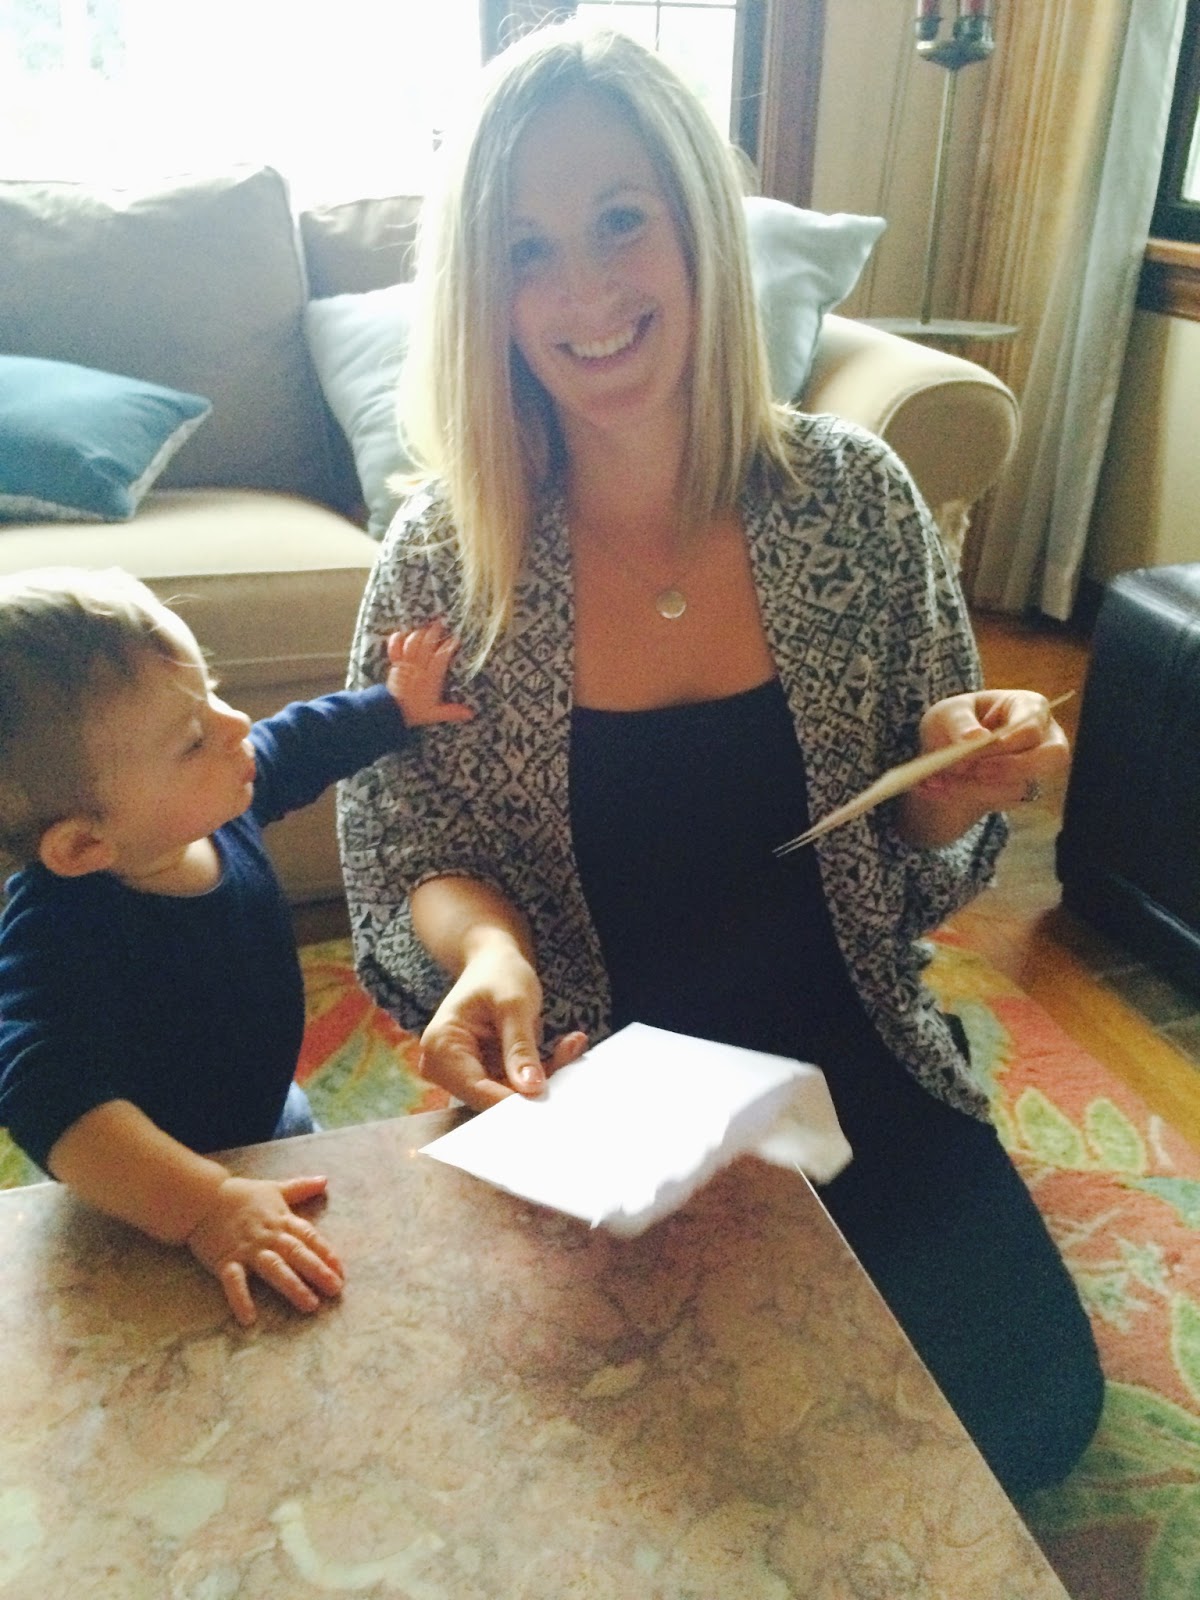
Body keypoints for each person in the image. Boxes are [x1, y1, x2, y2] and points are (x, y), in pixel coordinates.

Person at [338, 21, 1103, 1497]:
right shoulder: (444, 557)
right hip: (589, 1090)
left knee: (1022, 1426)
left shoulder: (856, 502)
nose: (585, 291)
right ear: (484, 289)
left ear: (697, 222)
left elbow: (926, 853)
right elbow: (412, 850)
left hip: (843, 1045)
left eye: (621, 221)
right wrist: (489, 957)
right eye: (529, 249)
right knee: (621, 1463)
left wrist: (948, 788)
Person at [0, 566, 471, 1326]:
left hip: (266, 1112)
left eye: (212, 690)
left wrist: (392, 707)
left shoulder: (214, 806)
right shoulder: (58, 931)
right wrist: (204, 1204)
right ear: (84, 845)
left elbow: (295, 745)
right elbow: (44, 1095)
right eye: (192, 740)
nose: (237, 724)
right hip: (150, 1186)